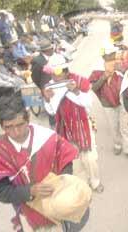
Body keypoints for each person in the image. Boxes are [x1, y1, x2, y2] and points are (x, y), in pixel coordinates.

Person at [0, 93, 87, 232]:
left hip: (59, 204)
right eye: (8, 127)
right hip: (30, 214)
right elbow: (1, 192)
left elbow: (66, 161)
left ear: (28, 118)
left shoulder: (47, 137)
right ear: (1, 126)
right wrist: (29, 191)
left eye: (20, 124)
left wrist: (61, 182)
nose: (16, 132)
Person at [42, 58, 104, 193]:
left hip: (82, 125)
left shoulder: (78, 81)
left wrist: (75, 91)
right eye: (52, 74)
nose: (54, 77)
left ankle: (95, 181)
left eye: (57, 73)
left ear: (65, 72)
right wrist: (47, 99)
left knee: (90, 158)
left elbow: (88, 104)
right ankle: (83, 187)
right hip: (64, 128)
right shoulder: (50, 87)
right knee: (74, 160)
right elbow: (52, 111)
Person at [89, 42, 128, 158]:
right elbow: (94, 88)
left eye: (113, 54)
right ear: (103, 57)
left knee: (125, 126)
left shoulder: (121, 65)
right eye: (109, 55)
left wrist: (121, 70)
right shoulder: (97, 69)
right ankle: (117, 145)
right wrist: (104, 76)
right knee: (114, 127)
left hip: (123, 101)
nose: (112, 57)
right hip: (107, 103)